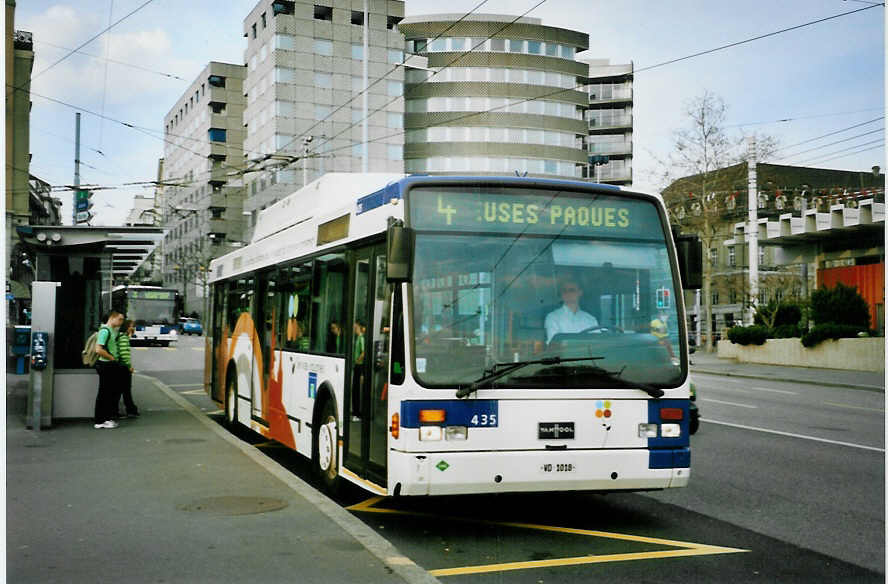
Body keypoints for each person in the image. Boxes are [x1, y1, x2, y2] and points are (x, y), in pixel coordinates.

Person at [93, 311, 125, 429]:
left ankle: (105, 418)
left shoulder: (111, 331)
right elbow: (98, 349)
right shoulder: (104, 331)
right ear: (112, 318)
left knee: (109, 392)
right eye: (120, 319)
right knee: (104, 393)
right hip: (106, 364)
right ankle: (100, 420)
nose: (121, 322)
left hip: (109, 364)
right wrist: (111, 357)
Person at [544, 278, 599, 343]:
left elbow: (597, 344)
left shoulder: (590, 319)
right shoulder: (552, 317)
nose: (568, 293)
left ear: (580, 293)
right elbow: (554, 345)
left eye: (572, 290)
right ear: (561, 294)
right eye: (564, 291)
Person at [116, 319, 140, 418]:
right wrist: (129, 366)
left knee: (122, 390)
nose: (132, 328)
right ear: (126, 327)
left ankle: (130, 409)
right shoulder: (123, 338)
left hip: (121, 366)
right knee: (125, 390)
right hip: (123, 367)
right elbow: (124, 353)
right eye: (131, 326)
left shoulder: (122, 336)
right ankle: (130, 409)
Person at [351, 318, 366, 421]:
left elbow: (364, 352)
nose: (354, 328)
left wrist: (357, 360)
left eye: (355, 327)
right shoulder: (357, 338)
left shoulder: (361, 338)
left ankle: (358, 414)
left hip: (359, 366)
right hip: (357, 366)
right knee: (355, 389)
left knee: (357, 390)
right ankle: (355, 412)